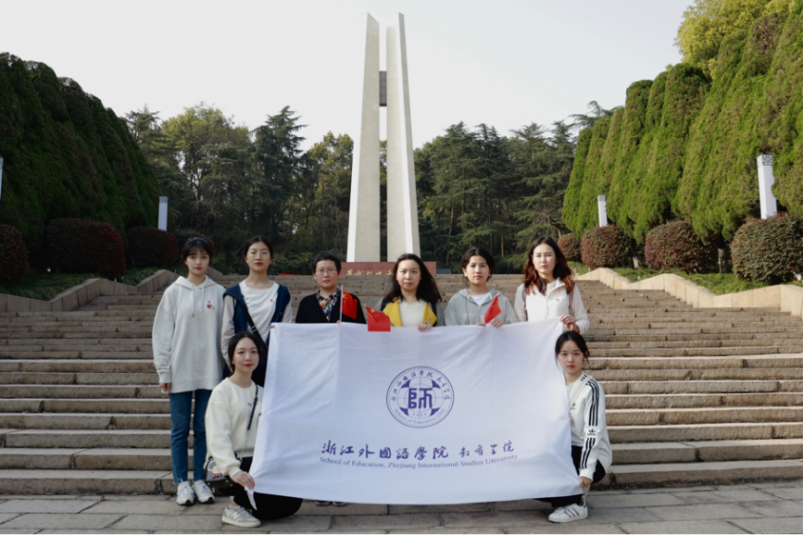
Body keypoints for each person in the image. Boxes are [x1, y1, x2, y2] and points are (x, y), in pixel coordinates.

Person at [152, 237, 224, 506]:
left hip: (210, 370)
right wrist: (164, 370)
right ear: (184, 260)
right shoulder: (174, 292)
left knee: (204, 429)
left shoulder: (219, 292)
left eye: (203, 256)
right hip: (180, 369)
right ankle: (182, 482)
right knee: (180, 429)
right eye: (193, 256)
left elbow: (225, 333)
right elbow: (162, 333)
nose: (198, 261)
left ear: (209, 259)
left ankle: (201, 480)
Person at [206, 332, 303, 527]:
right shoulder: (222, 392)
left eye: (253, 352)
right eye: (241, 352)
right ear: (232, 358)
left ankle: (248, 504)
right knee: (257, 473)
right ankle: (234, 506)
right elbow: (218, 437)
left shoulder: (264, 393)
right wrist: (233, 469)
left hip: (261, 461)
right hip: (230, 464)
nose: (248, 357)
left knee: (290, 504)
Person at [545, 331, 612, 523]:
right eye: (564, 354)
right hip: (561, 448)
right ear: (557, 357)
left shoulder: (591, 388)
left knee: (562, 468)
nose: (570, 359)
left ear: (584, 355)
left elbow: (593, 432)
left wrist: (586, 470)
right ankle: (568, 499)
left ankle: (578, 503)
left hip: (589, 453)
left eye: (576, 353)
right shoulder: (552, 385)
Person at [221, 236, 292, 387]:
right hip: (240, 370)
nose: (258, 257)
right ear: (246, 258)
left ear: (271, 259)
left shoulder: (282, 294)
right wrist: (234, 368)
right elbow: (227, 334)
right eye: (253, 252)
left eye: (264, 252)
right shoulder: (233, 294)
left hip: (271, 371)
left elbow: (286, 333)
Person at [514, 237, 590, 334]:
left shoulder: (568, 287)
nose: (543, 260)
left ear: (556, 258)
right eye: (538, 256)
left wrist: (576, 327)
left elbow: (583, 320)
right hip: (535, 343)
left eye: (548, 255)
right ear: (532, 259)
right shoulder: (524, 290)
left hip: (561, 343)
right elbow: (518, 325)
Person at [445, 247, 518, 327]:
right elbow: (450, 332)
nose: (478, 270)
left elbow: (513, 330)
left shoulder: (502, 301)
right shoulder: (455, 302)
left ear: (489, 271)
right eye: (473, 266)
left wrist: (504, 328)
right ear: (465, 271)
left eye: (482, 266)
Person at [295, 251, 367, 325]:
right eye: (321, 270)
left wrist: (347, 327)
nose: (326, 275)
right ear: (314, 275)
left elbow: (361, 329)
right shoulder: (306, 303)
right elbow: (299, 330)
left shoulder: (350, 300)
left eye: (330, 270)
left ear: (339, 273)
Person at [376, 253, 444, 330]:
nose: (408, 277)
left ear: (421, 276)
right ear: (396, 275)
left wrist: (432, 331)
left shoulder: (433, 306)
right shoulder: (383, 305)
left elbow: (442, 334)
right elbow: (374, 335)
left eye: (413, 271)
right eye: (403, 271)